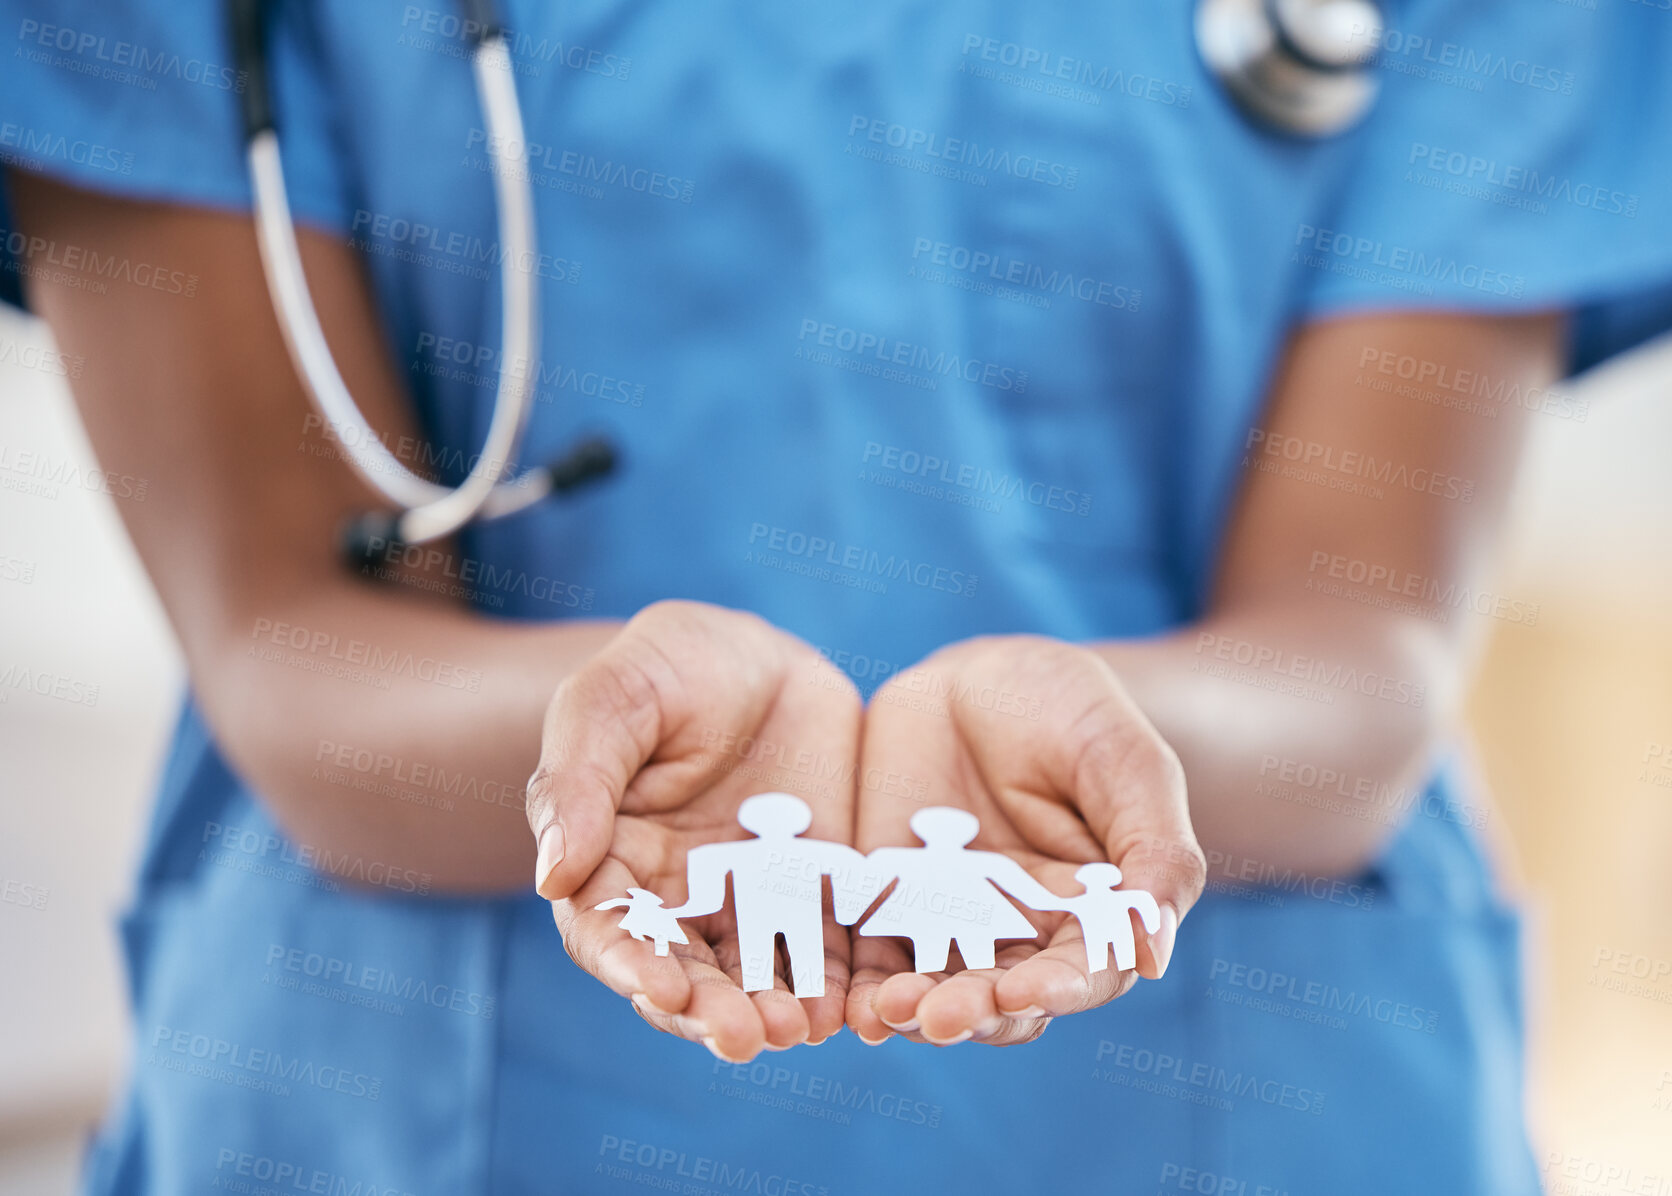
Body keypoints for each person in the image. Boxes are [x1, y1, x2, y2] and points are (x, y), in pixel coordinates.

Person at [3, 0, 1671, 1191]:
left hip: (1240, 1102)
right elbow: (285, 629)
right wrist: (593, 731)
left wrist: (1114, 746)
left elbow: (1361, 649)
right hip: (412, 1105)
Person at [858, 805, 1066, 974]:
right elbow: (1021, 885)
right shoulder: (981, 861)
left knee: (952, 955)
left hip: (949, 915)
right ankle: (935, 982)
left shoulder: (907, 859)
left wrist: (1055, 902)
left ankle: (938, 981)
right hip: (958, 916)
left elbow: (871, 873)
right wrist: (1057, 903)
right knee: (943, 956)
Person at [1062, 862, 1162, 975]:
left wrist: (1152, 924)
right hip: (1101, 936)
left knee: (1122, 963)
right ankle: (1113, 966)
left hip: (1115, 934)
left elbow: (1143, 900)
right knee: (1100, 966)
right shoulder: (1083, 901)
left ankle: (1120, 965)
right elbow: (1143, 899)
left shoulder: (1084, 901)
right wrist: (1152, 924)